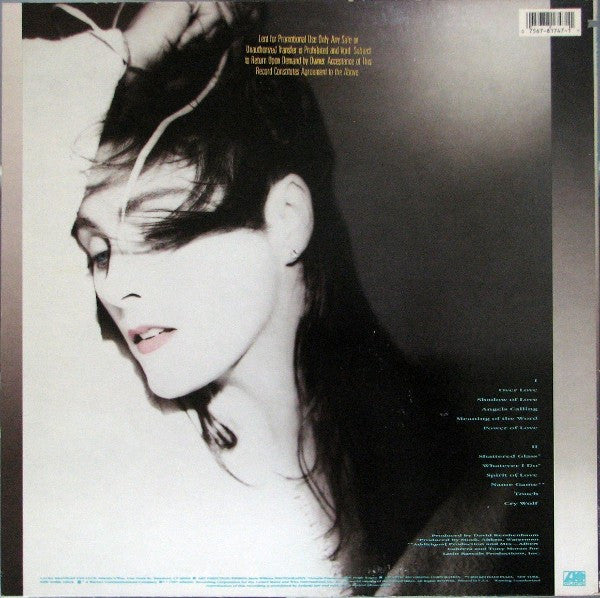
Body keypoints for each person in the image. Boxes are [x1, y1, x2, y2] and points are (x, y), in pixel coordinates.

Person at [24, 3, 494, 595]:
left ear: (288, 219)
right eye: (99, 251)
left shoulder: (444, 452)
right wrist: (135, 46)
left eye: (158, 230)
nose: (114, 288)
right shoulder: (114, 420)